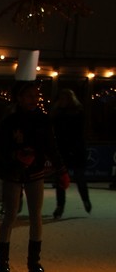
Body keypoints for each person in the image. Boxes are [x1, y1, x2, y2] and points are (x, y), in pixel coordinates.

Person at [0, 81, 69, 272]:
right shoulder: (10, 121)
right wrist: (16, 156)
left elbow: (51, 146)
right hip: (14, 173)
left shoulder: (42, 120)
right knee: (10, 216)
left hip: (34, 172)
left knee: (35, 216)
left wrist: (61, 170)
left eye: (36, 95)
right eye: (29, 95)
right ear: (19, 98)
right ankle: (2, 262)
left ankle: (33, 262)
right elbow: (1, 147)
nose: (34, 99)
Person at [51, 88, 92, 218]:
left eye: (65, 99)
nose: (62, 101)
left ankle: (85, 200)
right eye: (61, 99)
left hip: (76, 150)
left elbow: (79, 134)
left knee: (79, 178)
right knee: (61, 179)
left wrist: (74, 149)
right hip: (63, 150)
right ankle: (60, 206)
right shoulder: (57, 114)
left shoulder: (77, 113)